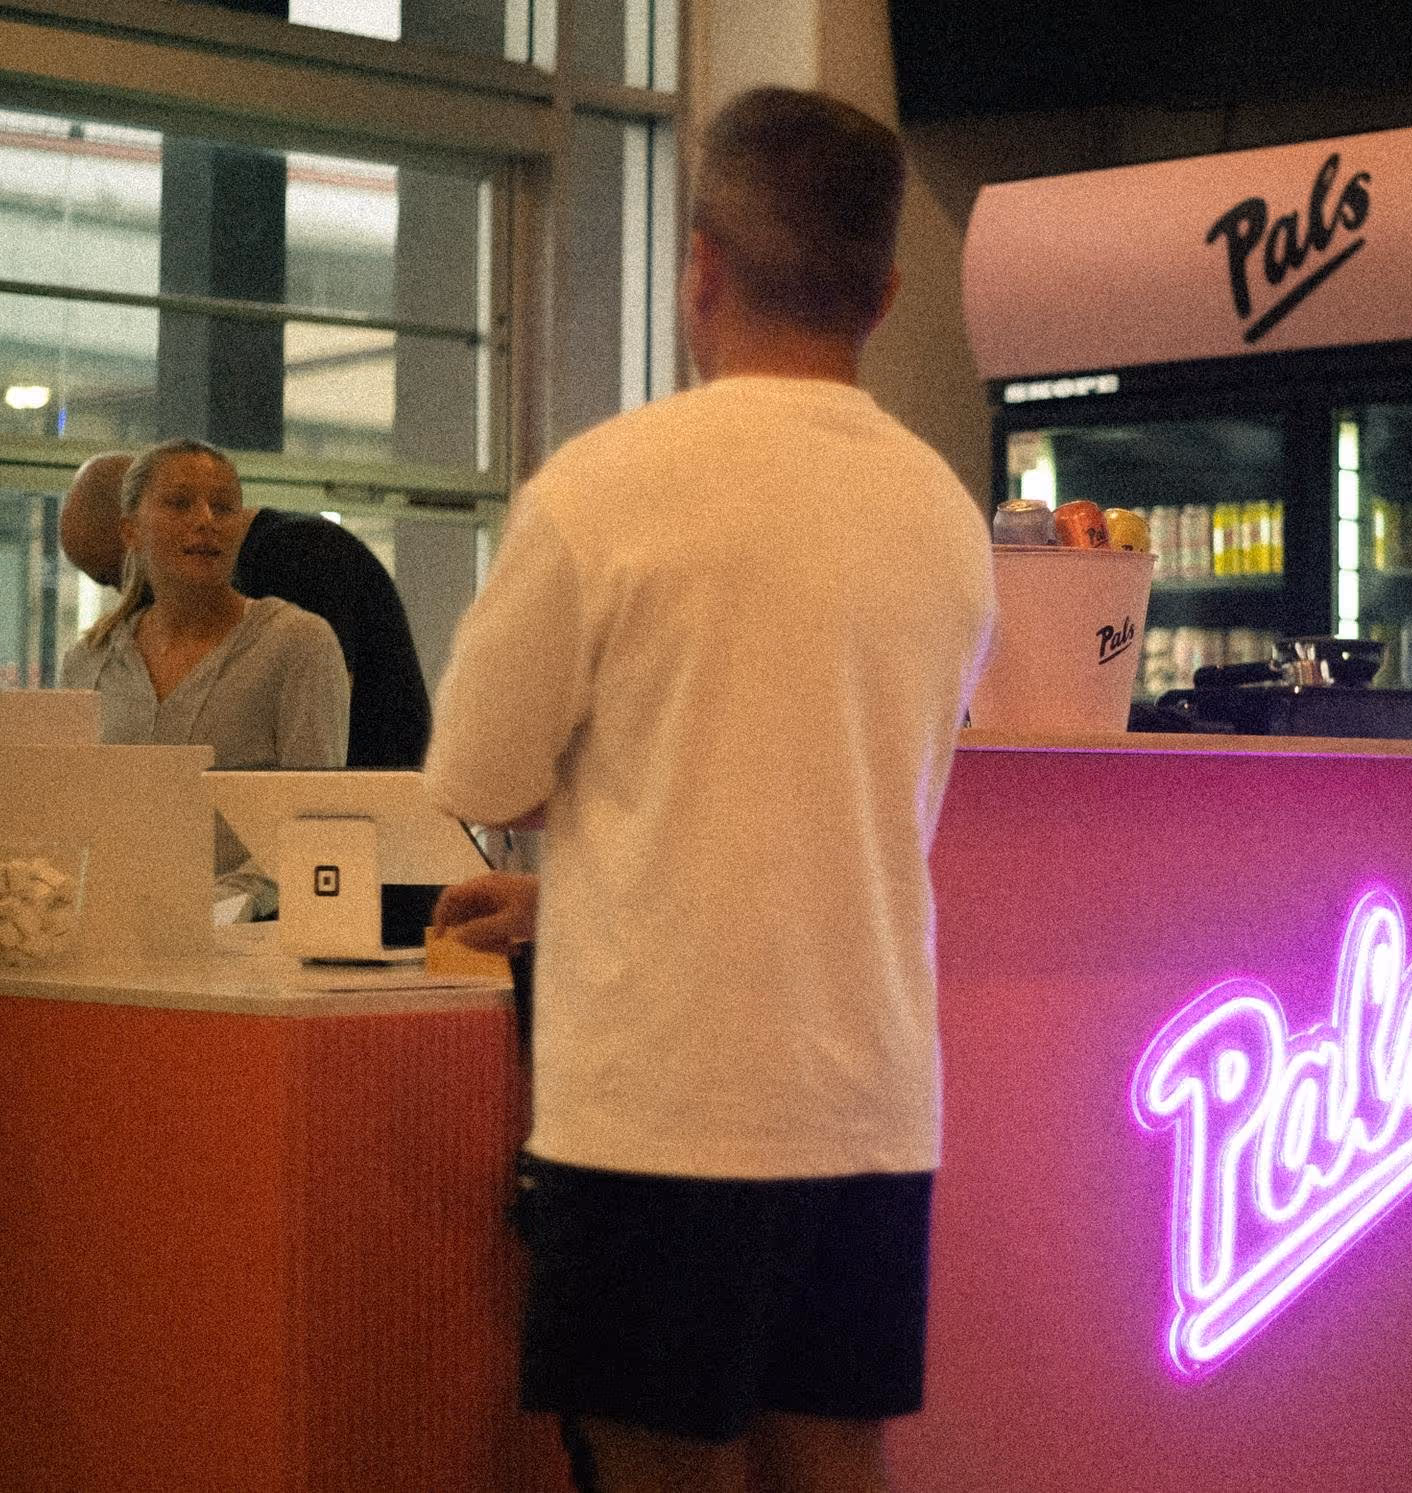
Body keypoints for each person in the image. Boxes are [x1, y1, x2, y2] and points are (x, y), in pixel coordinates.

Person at [425, 87, 996, 1493]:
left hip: (660, 1105)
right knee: (833, 1463)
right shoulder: (944, 514)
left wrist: (594, 835)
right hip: (868, 1099)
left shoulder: (604, 488)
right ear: (886, 291)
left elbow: (483, 771)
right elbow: (835, 804)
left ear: (700, 268)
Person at [58, 437, 349, 917]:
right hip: (113, 927)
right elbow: (73, 812)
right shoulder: (89, 661)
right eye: (179, 503)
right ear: (130, 531)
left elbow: (315, 818)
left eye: (224, 506)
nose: (205, 521)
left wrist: (218, 907)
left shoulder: (297, 643)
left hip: (254, 937)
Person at [60, 450, 431, 768]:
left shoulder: (304, 568)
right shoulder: (102, 655)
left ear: (132, 536)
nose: (126, 592)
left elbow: (320, 748)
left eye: (114, 574)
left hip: (374, 807)